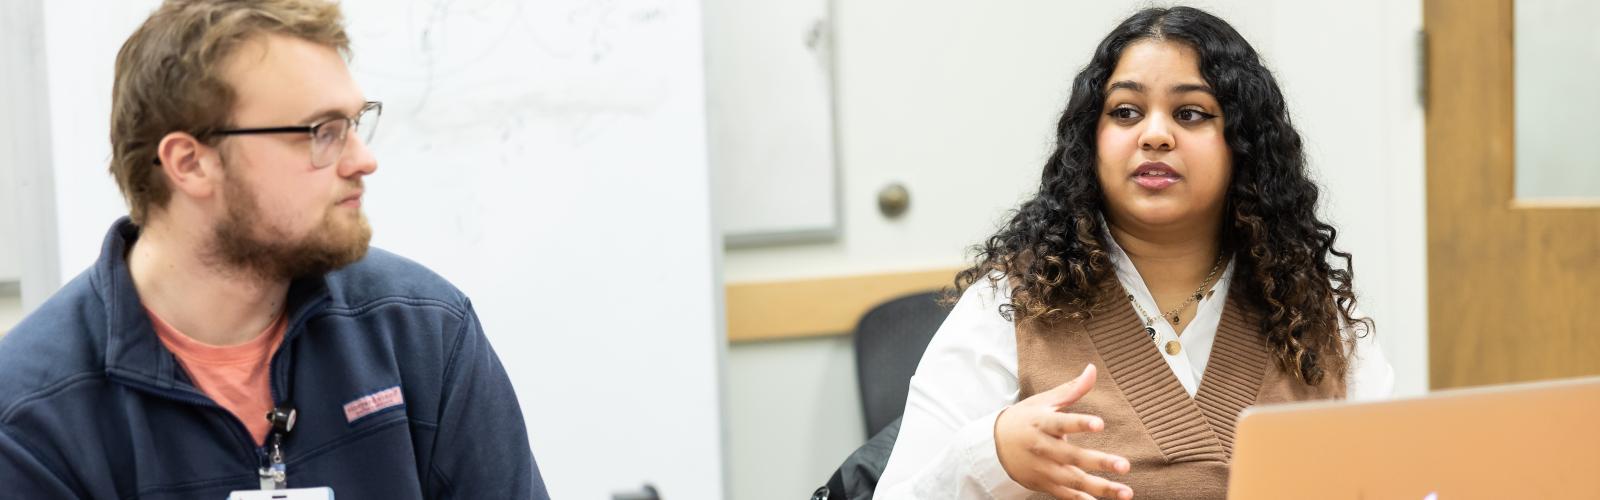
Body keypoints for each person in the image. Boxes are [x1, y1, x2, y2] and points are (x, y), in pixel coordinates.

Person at [0, 1, 550, 498]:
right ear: (190, 163)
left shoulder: (423, 331)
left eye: (355, 123)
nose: (362, 159)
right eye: (321, 131)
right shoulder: (31, 412)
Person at [873, 6, 1394, 500]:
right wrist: (991, 454)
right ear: (1091, 140)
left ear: (1244, 145)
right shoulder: (1011, 303)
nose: (1155, 135)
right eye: (1126, 112)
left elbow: (1399, 478)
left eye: (1190, 114)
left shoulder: (1308, 309)